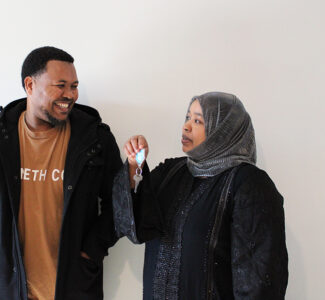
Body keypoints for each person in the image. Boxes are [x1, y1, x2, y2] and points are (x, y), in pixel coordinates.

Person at [0, 46, 122, 300]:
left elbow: (120, 202)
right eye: (61, 85)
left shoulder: (94, 138)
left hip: (74, 287)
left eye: (74, 86)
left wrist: (92, 248)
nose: (70, 95)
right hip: (6, 288)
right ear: (30, 85)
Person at [113, 92, 288, 300]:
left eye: (198, 120)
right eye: (187, 117)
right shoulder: (173, 172)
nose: (186, 126)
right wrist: (134, 166)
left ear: (223, 131)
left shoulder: (249, 184)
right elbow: (135, 227)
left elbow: (259, 275)